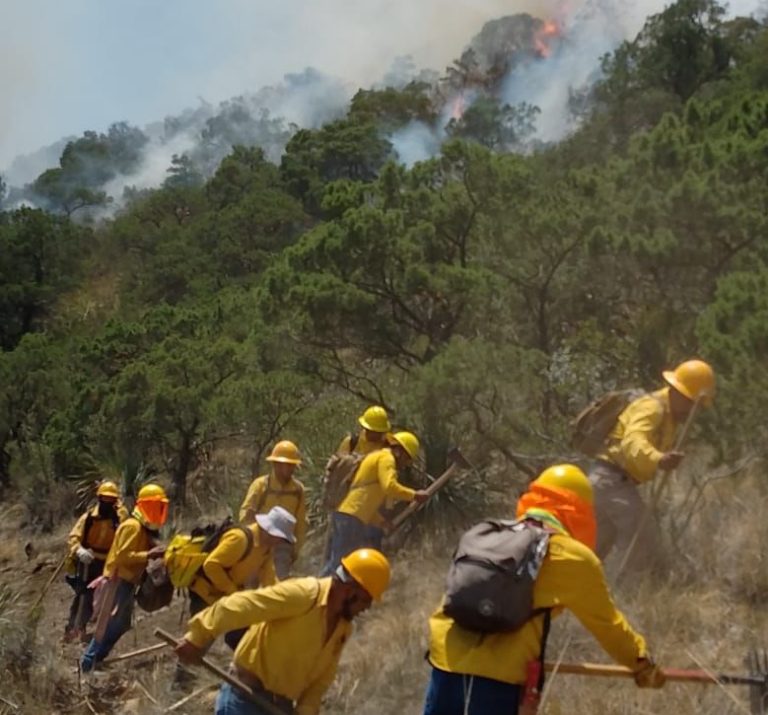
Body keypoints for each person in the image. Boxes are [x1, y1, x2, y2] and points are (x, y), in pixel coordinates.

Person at [423, 464, 665, 715]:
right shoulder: (571, 556)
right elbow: (607, 624)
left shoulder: (491, 534)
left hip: (445, 667)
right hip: (496, 683)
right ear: (580, 510)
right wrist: (641, 663)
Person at [174, 548, 392, 715]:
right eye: (366, 599)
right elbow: (240, 605)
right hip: (245, 700)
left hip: (281, 708)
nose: (367, 608)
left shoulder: (343, 628)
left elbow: (322, 679)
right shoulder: (305, 595)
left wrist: (306, 710)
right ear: (350, 589)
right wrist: (198, 636)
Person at [589, 359, 715, 570]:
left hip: (610, 482)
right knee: (642, 539)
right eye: (691, 403)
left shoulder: (670, 416)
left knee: (593, 548)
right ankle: (629, 598)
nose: (693, 410)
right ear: (677, 392)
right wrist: (658, 459)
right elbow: (633, 442)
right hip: (610, 481)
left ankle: (581, 595)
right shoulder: (652, 407)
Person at [80, 483, 169, 673]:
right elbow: (122, 556)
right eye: (157, 506)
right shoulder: (132, 527)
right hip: (117, 580)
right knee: (108, 625)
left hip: (126, 582)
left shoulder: (141, 527)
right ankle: (88, 663)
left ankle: (95, 660)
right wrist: (148, 555)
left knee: (120, 624)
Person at [321, 431, 429, 576]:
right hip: (351, 518)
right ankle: (318, 594)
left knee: (341, 564)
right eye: (407, 459)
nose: (405, 464)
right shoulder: (386, 458)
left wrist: (381, 521)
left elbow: (365, 501)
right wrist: (414, 495)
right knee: (339, 565)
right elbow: (389, 486)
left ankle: (322, 592)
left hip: (348, 515)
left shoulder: (378, 456)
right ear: (400, 452)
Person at [189, 506, 296, 650]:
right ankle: (184, 670)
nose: (280, 542)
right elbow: (211, 565)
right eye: (280, 538)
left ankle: (240, 669)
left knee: (242, 634)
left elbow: (269, 579)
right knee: (199, 640)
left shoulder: (266, 549)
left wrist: (281, 600)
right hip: (205, 591)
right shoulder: (240, 539)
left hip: (227, 594)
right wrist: (232, 591)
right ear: (269, 531)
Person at [64, 481, 128, 642]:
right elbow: (74, 537)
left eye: (111, 499)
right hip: (88, 561)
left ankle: (106, 629)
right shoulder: (88, 518)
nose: (107, 502)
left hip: (109, 562)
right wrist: (79, 550)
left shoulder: (120, 517)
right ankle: (74, 629)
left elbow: (126, 538)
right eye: (104, 499)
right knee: (83, 595)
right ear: (99, 498)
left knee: (110, 595)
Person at [239, 441, 307, 579]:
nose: (287, 469)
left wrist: (296, 550)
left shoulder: (298, 490)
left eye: (291, 465)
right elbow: (245, 512)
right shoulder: (261, 485)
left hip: (282, 546)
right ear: (275, 464)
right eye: (284, 465)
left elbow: (301, 523)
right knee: (250, 583)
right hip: (259, 541)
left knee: (278, 585)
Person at [333, 405, 395, 549]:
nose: (375, 435)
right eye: (372, 431)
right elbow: (338, 472)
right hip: (348, 506)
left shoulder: (387, 447)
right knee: (342, 553)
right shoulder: (351, 443)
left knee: (370, 551)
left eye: (379, 432)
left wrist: (389, 509)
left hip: (375, 509)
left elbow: (389, 478)